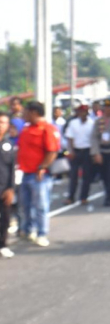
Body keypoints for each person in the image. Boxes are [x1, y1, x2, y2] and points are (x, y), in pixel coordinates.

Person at [17, 101, 58, 247]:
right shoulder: (26, 129)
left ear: (34, 112)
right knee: (25, 205)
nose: (23, 114)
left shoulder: (47, 129)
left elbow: (52, 151)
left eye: (26, 112)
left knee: (41, 205)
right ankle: (29, 230)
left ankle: (42, 233)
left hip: (39, 175)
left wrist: (42, 167)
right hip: (25, 172)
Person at [64, 104, 95, 205]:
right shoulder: (73, 123)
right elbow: (70, 138)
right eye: (81, 112)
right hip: (76, 151)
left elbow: (94, 140)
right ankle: (71, 197)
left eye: (84, 112)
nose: (83, 114)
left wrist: (93, 153)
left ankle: (84, 197)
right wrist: (71, 151)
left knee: (87, 176)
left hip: (87, 151)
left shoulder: (91, 123)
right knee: (73, 176)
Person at [0, 112, 16, 258]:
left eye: (4, 122)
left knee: (5, 218)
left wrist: (11, 188)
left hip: (4, 188)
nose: (1, 125)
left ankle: (3, 244)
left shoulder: (8, 144)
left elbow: (11, 168)